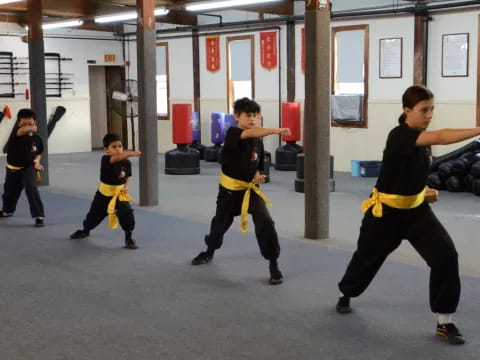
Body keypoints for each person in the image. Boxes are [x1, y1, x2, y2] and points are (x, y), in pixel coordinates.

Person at [336, 85, 480, 345]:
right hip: (385, 214)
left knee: (446, 256)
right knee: (366, 259)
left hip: (416, 212)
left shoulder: (420, 139)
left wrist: (425, 191)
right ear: (406, 110)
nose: (429, 115)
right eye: (424, 110)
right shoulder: (400, 135)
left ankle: (445, 321)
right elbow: (444, 137)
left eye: (432, 109)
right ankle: (347, 293)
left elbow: (409, 172)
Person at [191, 97, 291, 285]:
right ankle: (209, 251)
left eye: (255, 115)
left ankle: (273, 264)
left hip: (250, 191)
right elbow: (252, 132)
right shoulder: (232, 133)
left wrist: (258, 175)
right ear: (237, 116)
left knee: (266, 222)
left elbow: (258, 165)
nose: (252, 119)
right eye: (248, 115)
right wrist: (276, 131)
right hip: (229, 192)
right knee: (220, 225)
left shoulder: (258, 142)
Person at [70, 133, 141, 249]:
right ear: (106, 149)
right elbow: (116, 158)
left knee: (127, 213)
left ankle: (129, 238)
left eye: (119, 146)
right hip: (103, 195)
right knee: (93, 216)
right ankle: (85, 230)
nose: (118, 149)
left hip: (119, 194)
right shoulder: (106, 159)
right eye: (114, 147)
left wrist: (125, 186)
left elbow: (128, 176)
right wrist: (131, 153)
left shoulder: (126, 162)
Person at [0, 108, 45, 227]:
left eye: (30, 123)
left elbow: (38, 153)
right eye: (24, 124)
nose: (27, 127)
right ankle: (7, 211)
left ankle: (38, 215)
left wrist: (36, 163)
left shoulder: (37, 139)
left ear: (35, 122)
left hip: (28, 168)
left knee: (31, 187)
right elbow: (23, 131)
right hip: (13, 169)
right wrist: (31, 127)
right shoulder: (16, 134)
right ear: (18, 123)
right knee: (10, 192)